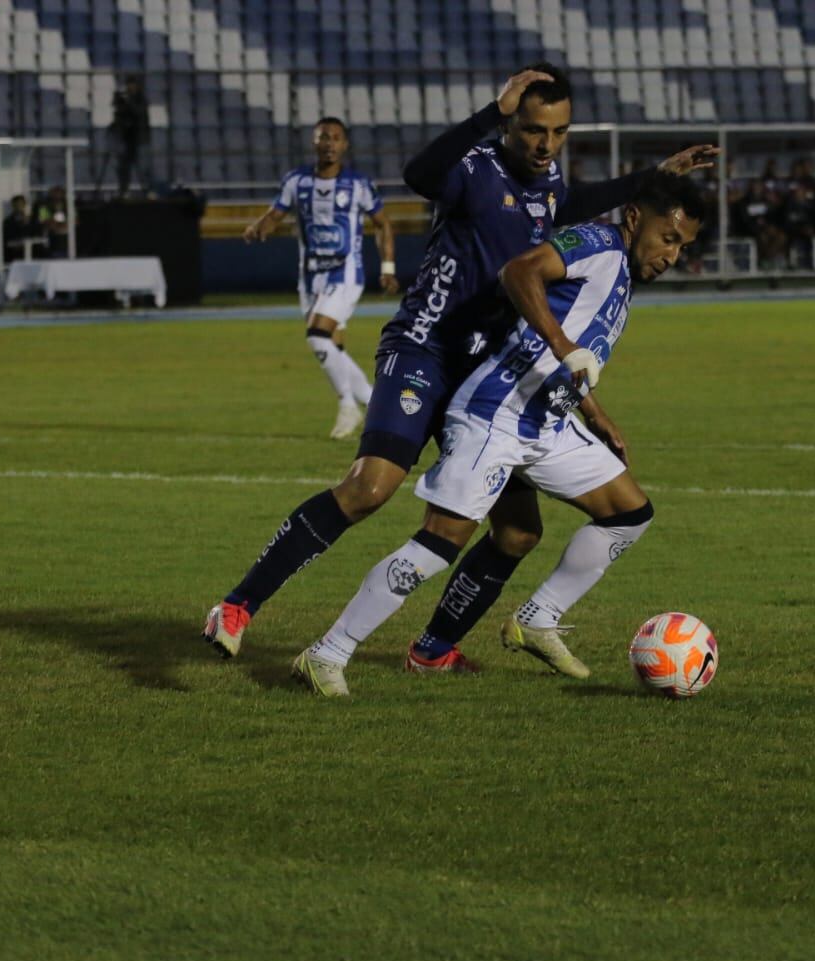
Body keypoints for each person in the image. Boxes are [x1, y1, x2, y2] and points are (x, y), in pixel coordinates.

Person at [203, 64, 717, 661]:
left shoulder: (550, 189)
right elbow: (418, 173)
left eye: (558, 133)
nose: (545, 145)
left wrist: (653, 179)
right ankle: (238, 605)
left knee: (519, 533)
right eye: (532, 130)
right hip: (427, 350)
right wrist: (489, 115)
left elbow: (584, 201)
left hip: (489, 376)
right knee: (369, 490)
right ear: (511, 124)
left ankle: (434, 649)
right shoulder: (476, 168)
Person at [290, 171, 705, 695]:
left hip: (548, 422)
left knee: (628, 513)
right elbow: (519, 273)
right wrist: (560, 345)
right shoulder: (597, 243)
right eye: (668, 239)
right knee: (438, 544)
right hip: (496, 413)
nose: (672, 255)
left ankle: (538, 618)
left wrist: (594, 412)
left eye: (682, 246)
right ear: (633, 218)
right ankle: (326, 653)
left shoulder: (620, 269)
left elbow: (575, 351)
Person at [242, 117, 399, 440]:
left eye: (336, 138)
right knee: (332, 348)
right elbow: (275, 214)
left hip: (346, 273)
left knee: (316, 334)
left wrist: (387, 269)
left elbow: (383, 223)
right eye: (323, 137)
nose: (329, 143)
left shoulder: (357, 184)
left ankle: (347, 405)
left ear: (345, 145)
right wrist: (259, 228)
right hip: (310, 276)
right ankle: (375, 406)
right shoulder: (296, 181)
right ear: (314, 143)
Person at [110, 76, 149, 199]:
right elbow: (120, 113)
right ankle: (124, 189)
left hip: (139, 139)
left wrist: (129, 101)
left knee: (141, 166)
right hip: (126, 139)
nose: (129, 87)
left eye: (132, 84)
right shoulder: (126, 100)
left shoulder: (140, 99)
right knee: (123, 166)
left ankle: (147, 190)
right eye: (128, 84)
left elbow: (138, 113)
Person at [1, 194, 34, 263]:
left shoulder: (31, 220)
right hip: (13, 251)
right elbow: (8, 239)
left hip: (30, 249)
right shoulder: (8, 222)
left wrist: (26, 224)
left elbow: (33, 234)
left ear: (24, 205)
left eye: (21, 204)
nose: (19, 207)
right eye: (17, 205)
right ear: (13, 206)